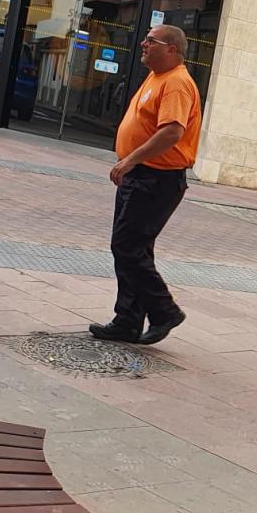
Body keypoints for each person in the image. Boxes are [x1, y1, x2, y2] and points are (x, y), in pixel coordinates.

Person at [90, 25, 201, 346]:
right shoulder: (157, 77)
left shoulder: (177, 82)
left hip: (156, 178)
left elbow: (172, 132)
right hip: (142, 176)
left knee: (127, 247)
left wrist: (130, 160)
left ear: (171, 49)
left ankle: (165, 311)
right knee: (133, 249)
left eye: (151, 41)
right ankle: (127, 320)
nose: (143, 44)